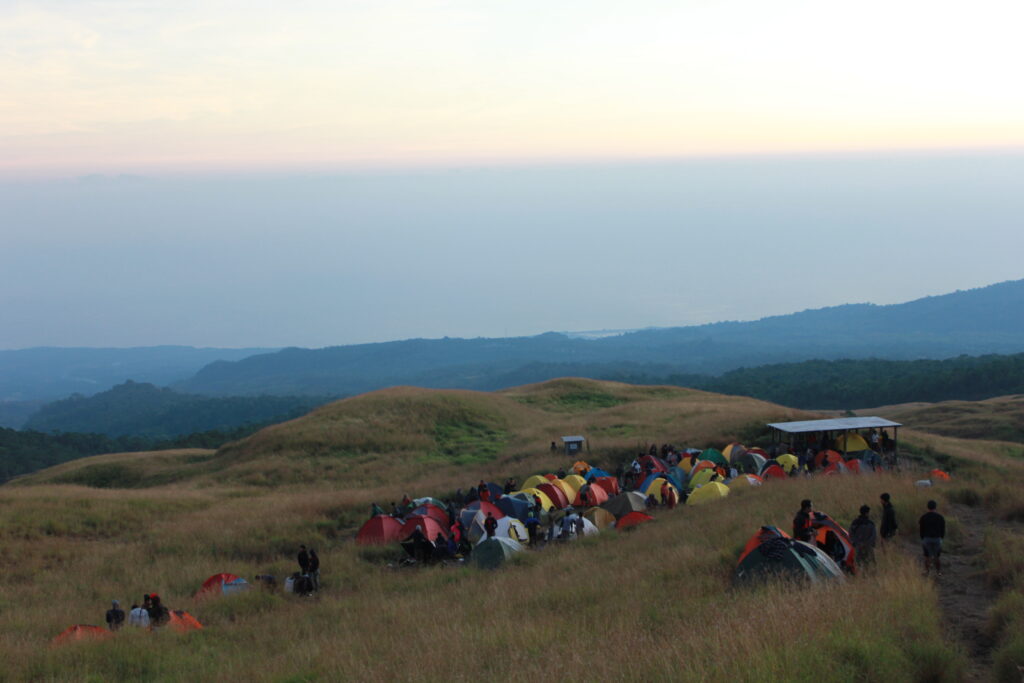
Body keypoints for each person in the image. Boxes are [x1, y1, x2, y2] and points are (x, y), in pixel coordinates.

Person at [919, 500, 946, 576]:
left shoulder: (923, 517)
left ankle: (927, 571)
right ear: (935, 507)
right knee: (937, 556)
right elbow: (943, 529)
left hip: (926, 538)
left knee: (927, 556)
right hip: (937, 539)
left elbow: (921, 529)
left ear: (927, 507)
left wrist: (922, 538)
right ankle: (938, 572)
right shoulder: (940, 517)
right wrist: (941, 538)